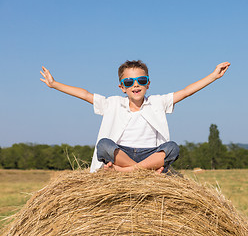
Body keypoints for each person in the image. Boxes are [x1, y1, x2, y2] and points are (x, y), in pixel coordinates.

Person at [40, 60, 230, 173]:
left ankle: (127, 173)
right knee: (104, 145)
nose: (135, 85)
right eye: (129, 82)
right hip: (122, 154)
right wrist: (55, 84)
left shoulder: (158, 102)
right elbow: (85, 94)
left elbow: (186, 91)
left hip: (150, 154)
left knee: (172, 148)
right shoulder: (112, 103)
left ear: (148, 84)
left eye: (141, 80)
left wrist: (213, 76)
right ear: (122, 87)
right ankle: (141, 172)